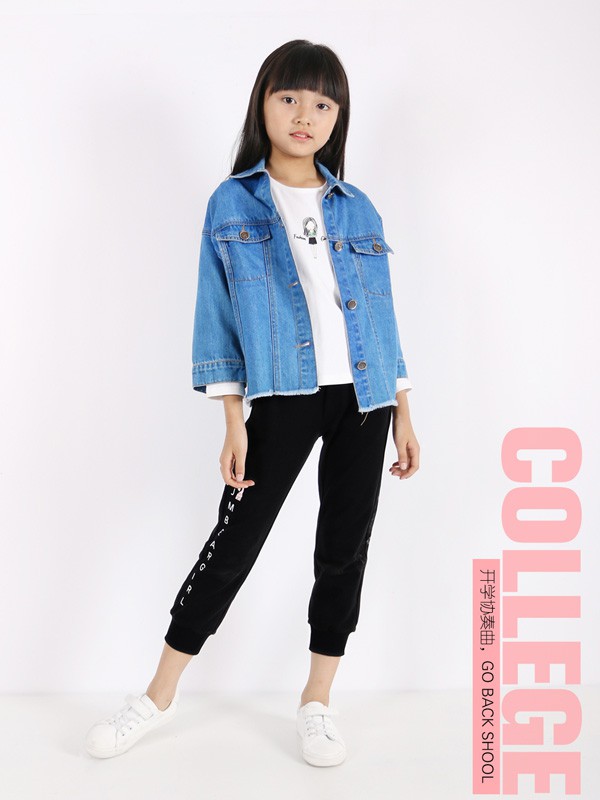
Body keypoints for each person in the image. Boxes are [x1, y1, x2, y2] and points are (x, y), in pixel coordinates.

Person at [85, 38, 420, 767]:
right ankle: (159, 695)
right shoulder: (232, 202)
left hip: (364, 399)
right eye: (289, 97)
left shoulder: (357, 206)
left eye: (322, 103)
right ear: (263, 103)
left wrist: (402, 407)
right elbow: (216, 318)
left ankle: (317, 700)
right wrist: (233, 418)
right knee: (233, 544)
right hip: (281, 396)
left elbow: (380, 313)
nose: (305, 115)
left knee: (345, 548)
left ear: (339, 116)